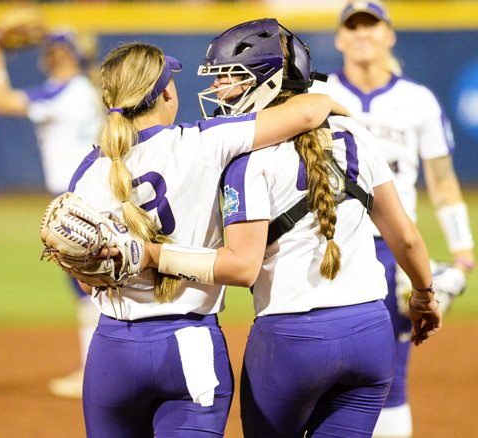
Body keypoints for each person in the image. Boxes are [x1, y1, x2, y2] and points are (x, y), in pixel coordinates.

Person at [136, 18, 442, 438]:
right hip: (371, 332)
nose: (220, 89)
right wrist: (425, 295)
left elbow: (242, 267)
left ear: (267, 81)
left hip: (292, 339)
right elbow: (405, 237)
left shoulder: (245, 158)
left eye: (231, 76)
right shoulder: (355, 133)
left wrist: (152, 256)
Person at [67, 40, 347, 437]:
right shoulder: (203, 141)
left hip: (112, 352)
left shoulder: (90, 171)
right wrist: (337, 109)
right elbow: (307, 110)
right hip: (191, 346)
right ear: (165, 91)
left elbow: (86, 279)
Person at [308, 2, 475, 436]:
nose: (362, 34)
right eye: (353, 26)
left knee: (391, 377)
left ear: (390, 35)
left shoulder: (417, 100)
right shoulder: (317, 95)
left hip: (390, 252)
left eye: (372, 25)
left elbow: (441, 182)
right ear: (340, 37)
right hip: (327, 245)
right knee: (318, 372)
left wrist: (463, 253)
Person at [0, 28, 104, 398]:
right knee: (91, 283)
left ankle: (96, 369)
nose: (50, 56)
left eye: (56, 51)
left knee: (87, 285)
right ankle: (96, 365)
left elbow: (0, 100)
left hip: (78, 197)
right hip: (91, 192)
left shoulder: (66, 90)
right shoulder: (84, 90)